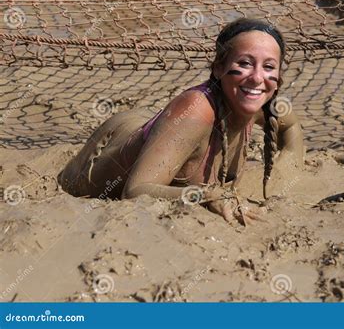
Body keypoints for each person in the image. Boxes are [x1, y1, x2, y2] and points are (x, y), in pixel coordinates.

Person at [58, 17, 304, 224]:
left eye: (269, 67)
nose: (257, 78)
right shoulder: (195, 111)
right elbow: (134, 192)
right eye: (245, 63)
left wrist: (281, 177)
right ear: (218, 68)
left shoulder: (262, 102)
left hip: (163, 130)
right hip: (107, 150)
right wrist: (207, 195)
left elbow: (291, 128)